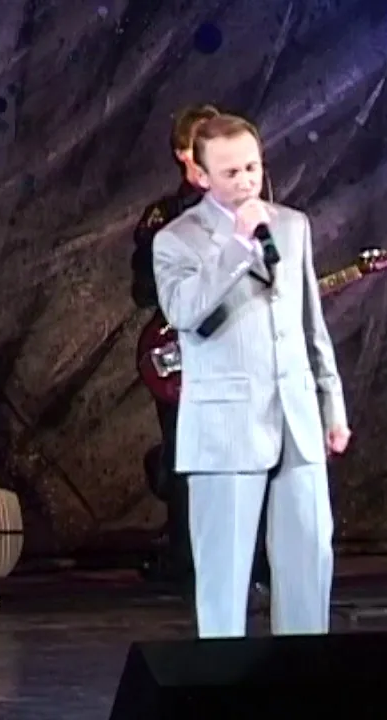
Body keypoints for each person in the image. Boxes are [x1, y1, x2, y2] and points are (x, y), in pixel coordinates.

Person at [151, 113, 351, 638]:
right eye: (231, 172)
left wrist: (331, 405)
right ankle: (222, 676)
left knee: (310, 558)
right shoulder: (177, 239)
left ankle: (303, 671)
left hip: (296, 416)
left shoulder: (292, 225)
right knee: (225, 575)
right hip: (227, 427)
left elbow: (310, 323)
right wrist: (238, 247)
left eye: (252, 168)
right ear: (201, 176)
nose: (245, 181)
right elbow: (183, 310)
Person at [131, 106, 272, 606]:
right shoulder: (167, 220)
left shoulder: (257, 215)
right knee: (186, 457)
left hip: (240, 352)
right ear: (185, 157)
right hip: (186, 350)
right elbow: (147, 290)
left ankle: (254, 564)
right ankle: (188, 560)